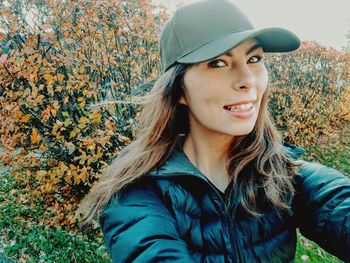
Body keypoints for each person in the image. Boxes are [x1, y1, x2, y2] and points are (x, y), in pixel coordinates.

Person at [77, 0, 350, 262]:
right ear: (179, 89)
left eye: (254, 58)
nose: (248, 80)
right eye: (218, 63)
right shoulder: (138, 197)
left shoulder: (283, 173)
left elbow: (336, 202)